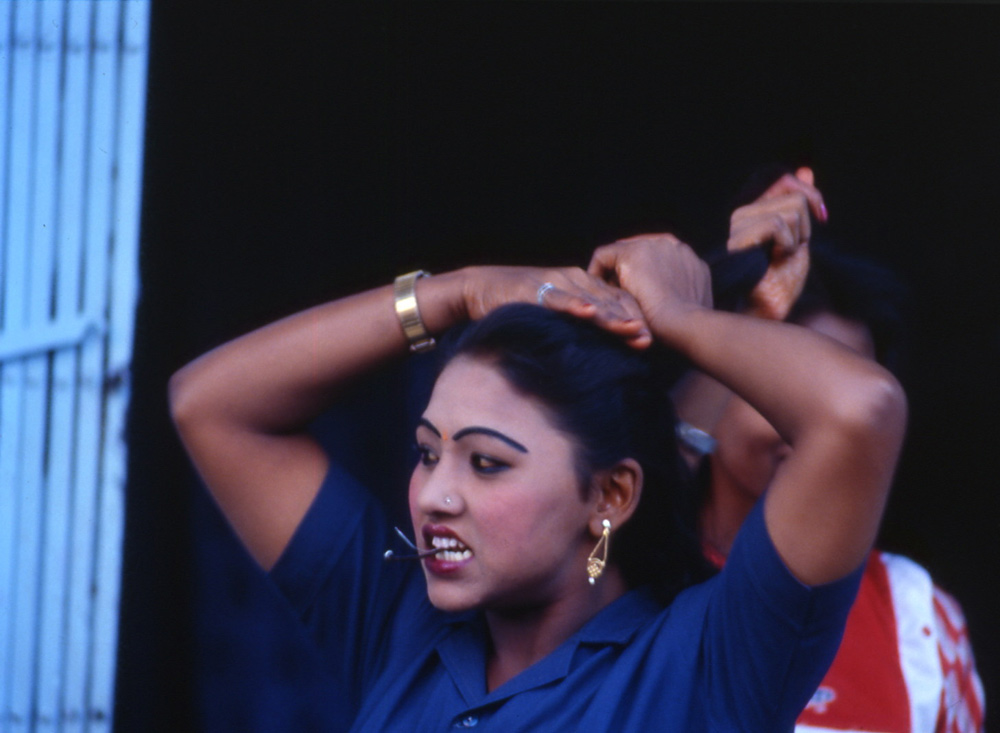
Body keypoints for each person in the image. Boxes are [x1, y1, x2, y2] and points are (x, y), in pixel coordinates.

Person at [169, 233, 907, 731]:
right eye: (428, 453)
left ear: (611, 496)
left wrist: (679, 319)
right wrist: (456, 293)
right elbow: (211, 405)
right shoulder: (399, 623)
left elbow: (859, 410)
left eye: (486, 462)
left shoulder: (702, 665)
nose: (433, 497)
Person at [675, 170, 985, 732]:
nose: (822, 425)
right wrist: (749, 316)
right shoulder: (623, 572)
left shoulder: (915, 616)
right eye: (792, 387)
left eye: (850, 399)